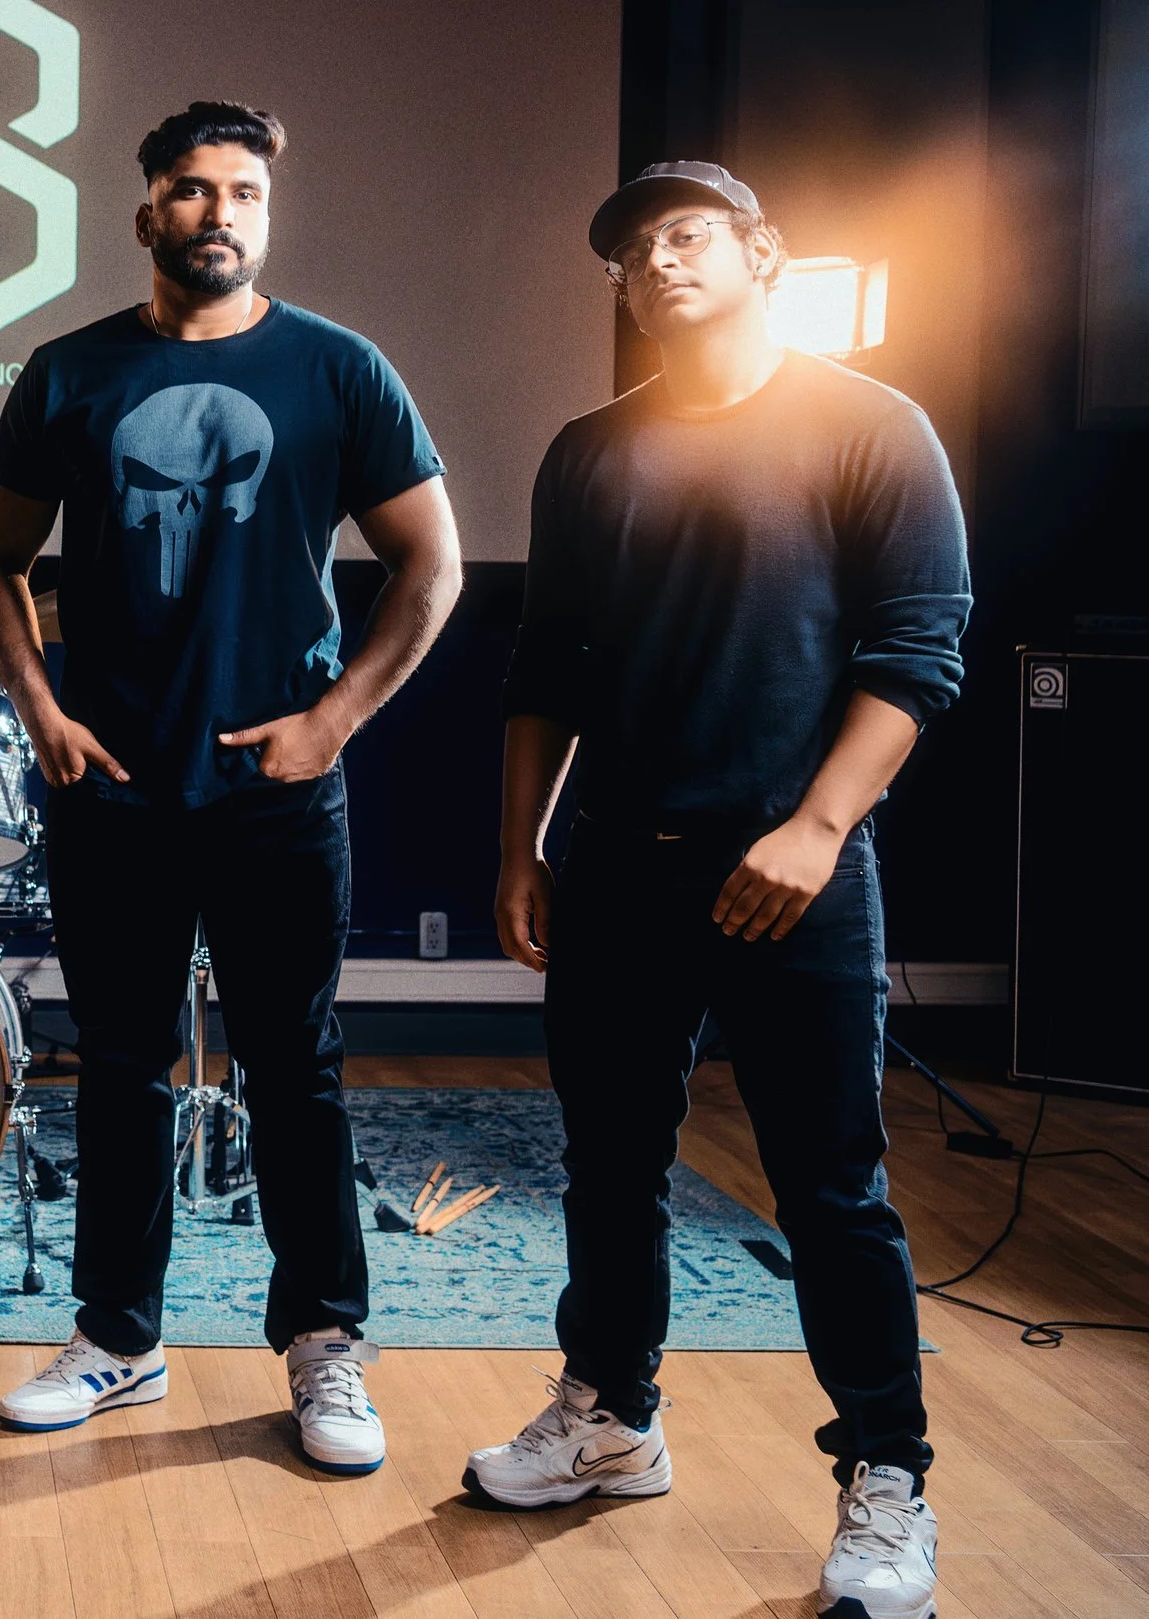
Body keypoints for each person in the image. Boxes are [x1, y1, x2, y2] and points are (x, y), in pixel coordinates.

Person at [466, 161, 967, 1619]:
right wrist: (519, 848)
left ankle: (888, 1476)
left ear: (761, 255)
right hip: (620, 867)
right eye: (631, 249)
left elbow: (919, 652)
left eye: (686, 235)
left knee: (832, 1191)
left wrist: (816, 827)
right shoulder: (589, 450)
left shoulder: (875, 426)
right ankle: (611, 1416)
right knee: (611, 1167)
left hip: (795, 875)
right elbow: (542, 665)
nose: (656, 260)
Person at [0, 101, 462, 1473]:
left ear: (266, 213)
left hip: (275, 793)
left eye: (242, 190)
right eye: (191, 190)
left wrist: (335, 721)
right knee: (121, 1070)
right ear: (148, 215)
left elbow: (434, 566)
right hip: (114, 786)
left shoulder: (338, 370)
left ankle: (323, 1347)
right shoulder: (68, 373)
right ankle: (118, 1339)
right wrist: (42, 714)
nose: (219, 212)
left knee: (294, 1070)